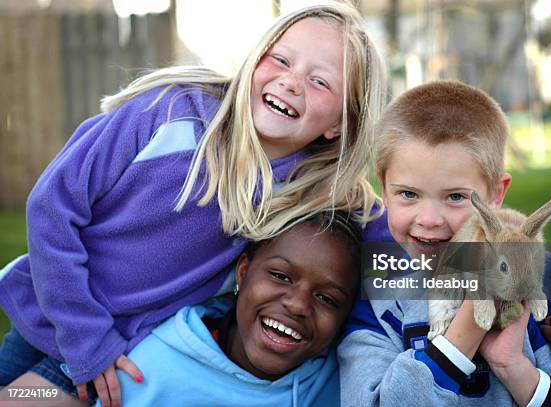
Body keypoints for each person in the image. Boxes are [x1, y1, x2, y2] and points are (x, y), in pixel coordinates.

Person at [0, 2, 386, 406]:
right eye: (281, 60)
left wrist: (458, 279)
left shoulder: (315, 187)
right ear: (256, 60)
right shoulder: (169, 112)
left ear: (340, 123)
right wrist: (86, 339)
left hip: (127, 351)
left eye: (320, 82)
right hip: (55, 315)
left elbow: (403, 240)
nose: (291, 82)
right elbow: (51, 208)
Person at [339, 81, 551, 406]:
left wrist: (516, 370)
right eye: (408, 194)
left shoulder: (549, 283)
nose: (429, 219)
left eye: (455, 197)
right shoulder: (377, 304)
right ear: (384, 191)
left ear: (496, 194)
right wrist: (465, 332)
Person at [95, 211, 361, 407]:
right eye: (280, 276)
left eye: (327, 298)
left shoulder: (350, 386)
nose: (297, 305)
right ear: (243, 272)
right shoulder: (150, 371)